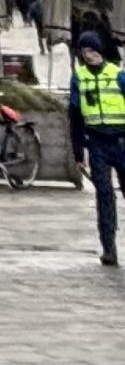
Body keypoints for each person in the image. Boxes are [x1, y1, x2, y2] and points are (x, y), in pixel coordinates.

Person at [70, 29, 125, 268]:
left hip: (122, 141)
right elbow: (74, 114)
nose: (88, 55)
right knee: (104, 195)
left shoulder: (117, 74)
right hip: (97, 143)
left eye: (92, 50)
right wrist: (78, 152)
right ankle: (109, 248)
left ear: (99, 50)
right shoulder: (79, 77)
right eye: (84, 51)